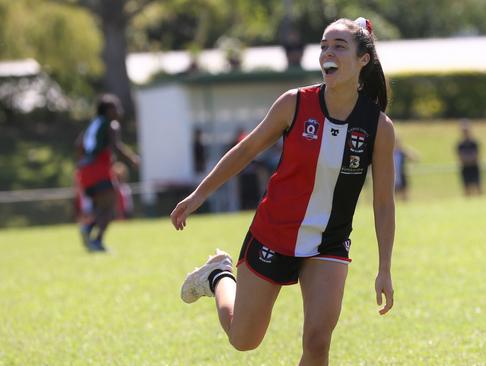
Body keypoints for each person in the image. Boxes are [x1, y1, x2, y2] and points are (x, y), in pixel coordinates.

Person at [170, 17, 395, 364]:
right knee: (244, 340)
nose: (328, 53)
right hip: (275, 234)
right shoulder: (295, 103)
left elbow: (382, 201)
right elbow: (246, 151)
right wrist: (198, 195)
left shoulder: (378, 126)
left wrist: (384, 267)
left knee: (318, 342)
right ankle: (217, 275)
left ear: (363, 59)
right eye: (323, 46)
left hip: (329, 241)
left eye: (339, 46)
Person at [75, 94, 140, 252]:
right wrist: (132, 158)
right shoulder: (111, 124)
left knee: (102, 206)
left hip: (85, 170)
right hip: (99, 168)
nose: (119, 111)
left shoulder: (92, 125)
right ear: (108, 110)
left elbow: (78, 145)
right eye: (115, 107)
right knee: (111, 207)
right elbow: (116, 146)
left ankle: (89, 229)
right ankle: (96, 239)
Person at [457, 119, 482, 196]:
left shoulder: (474, 143)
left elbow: (476, 155)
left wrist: (470, 160)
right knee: (466, 188)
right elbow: (460, 157)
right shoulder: (460, 144)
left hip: (474, 167)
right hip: (465, 168)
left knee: (478, 186)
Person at [393, 136, 418, 201]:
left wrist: (411, 168)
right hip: (392, 179)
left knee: (405, 198)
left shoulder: (402, 153)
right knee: (393, 199)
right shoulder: (389, 153)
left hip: (402, 178)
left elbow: (415, 158)